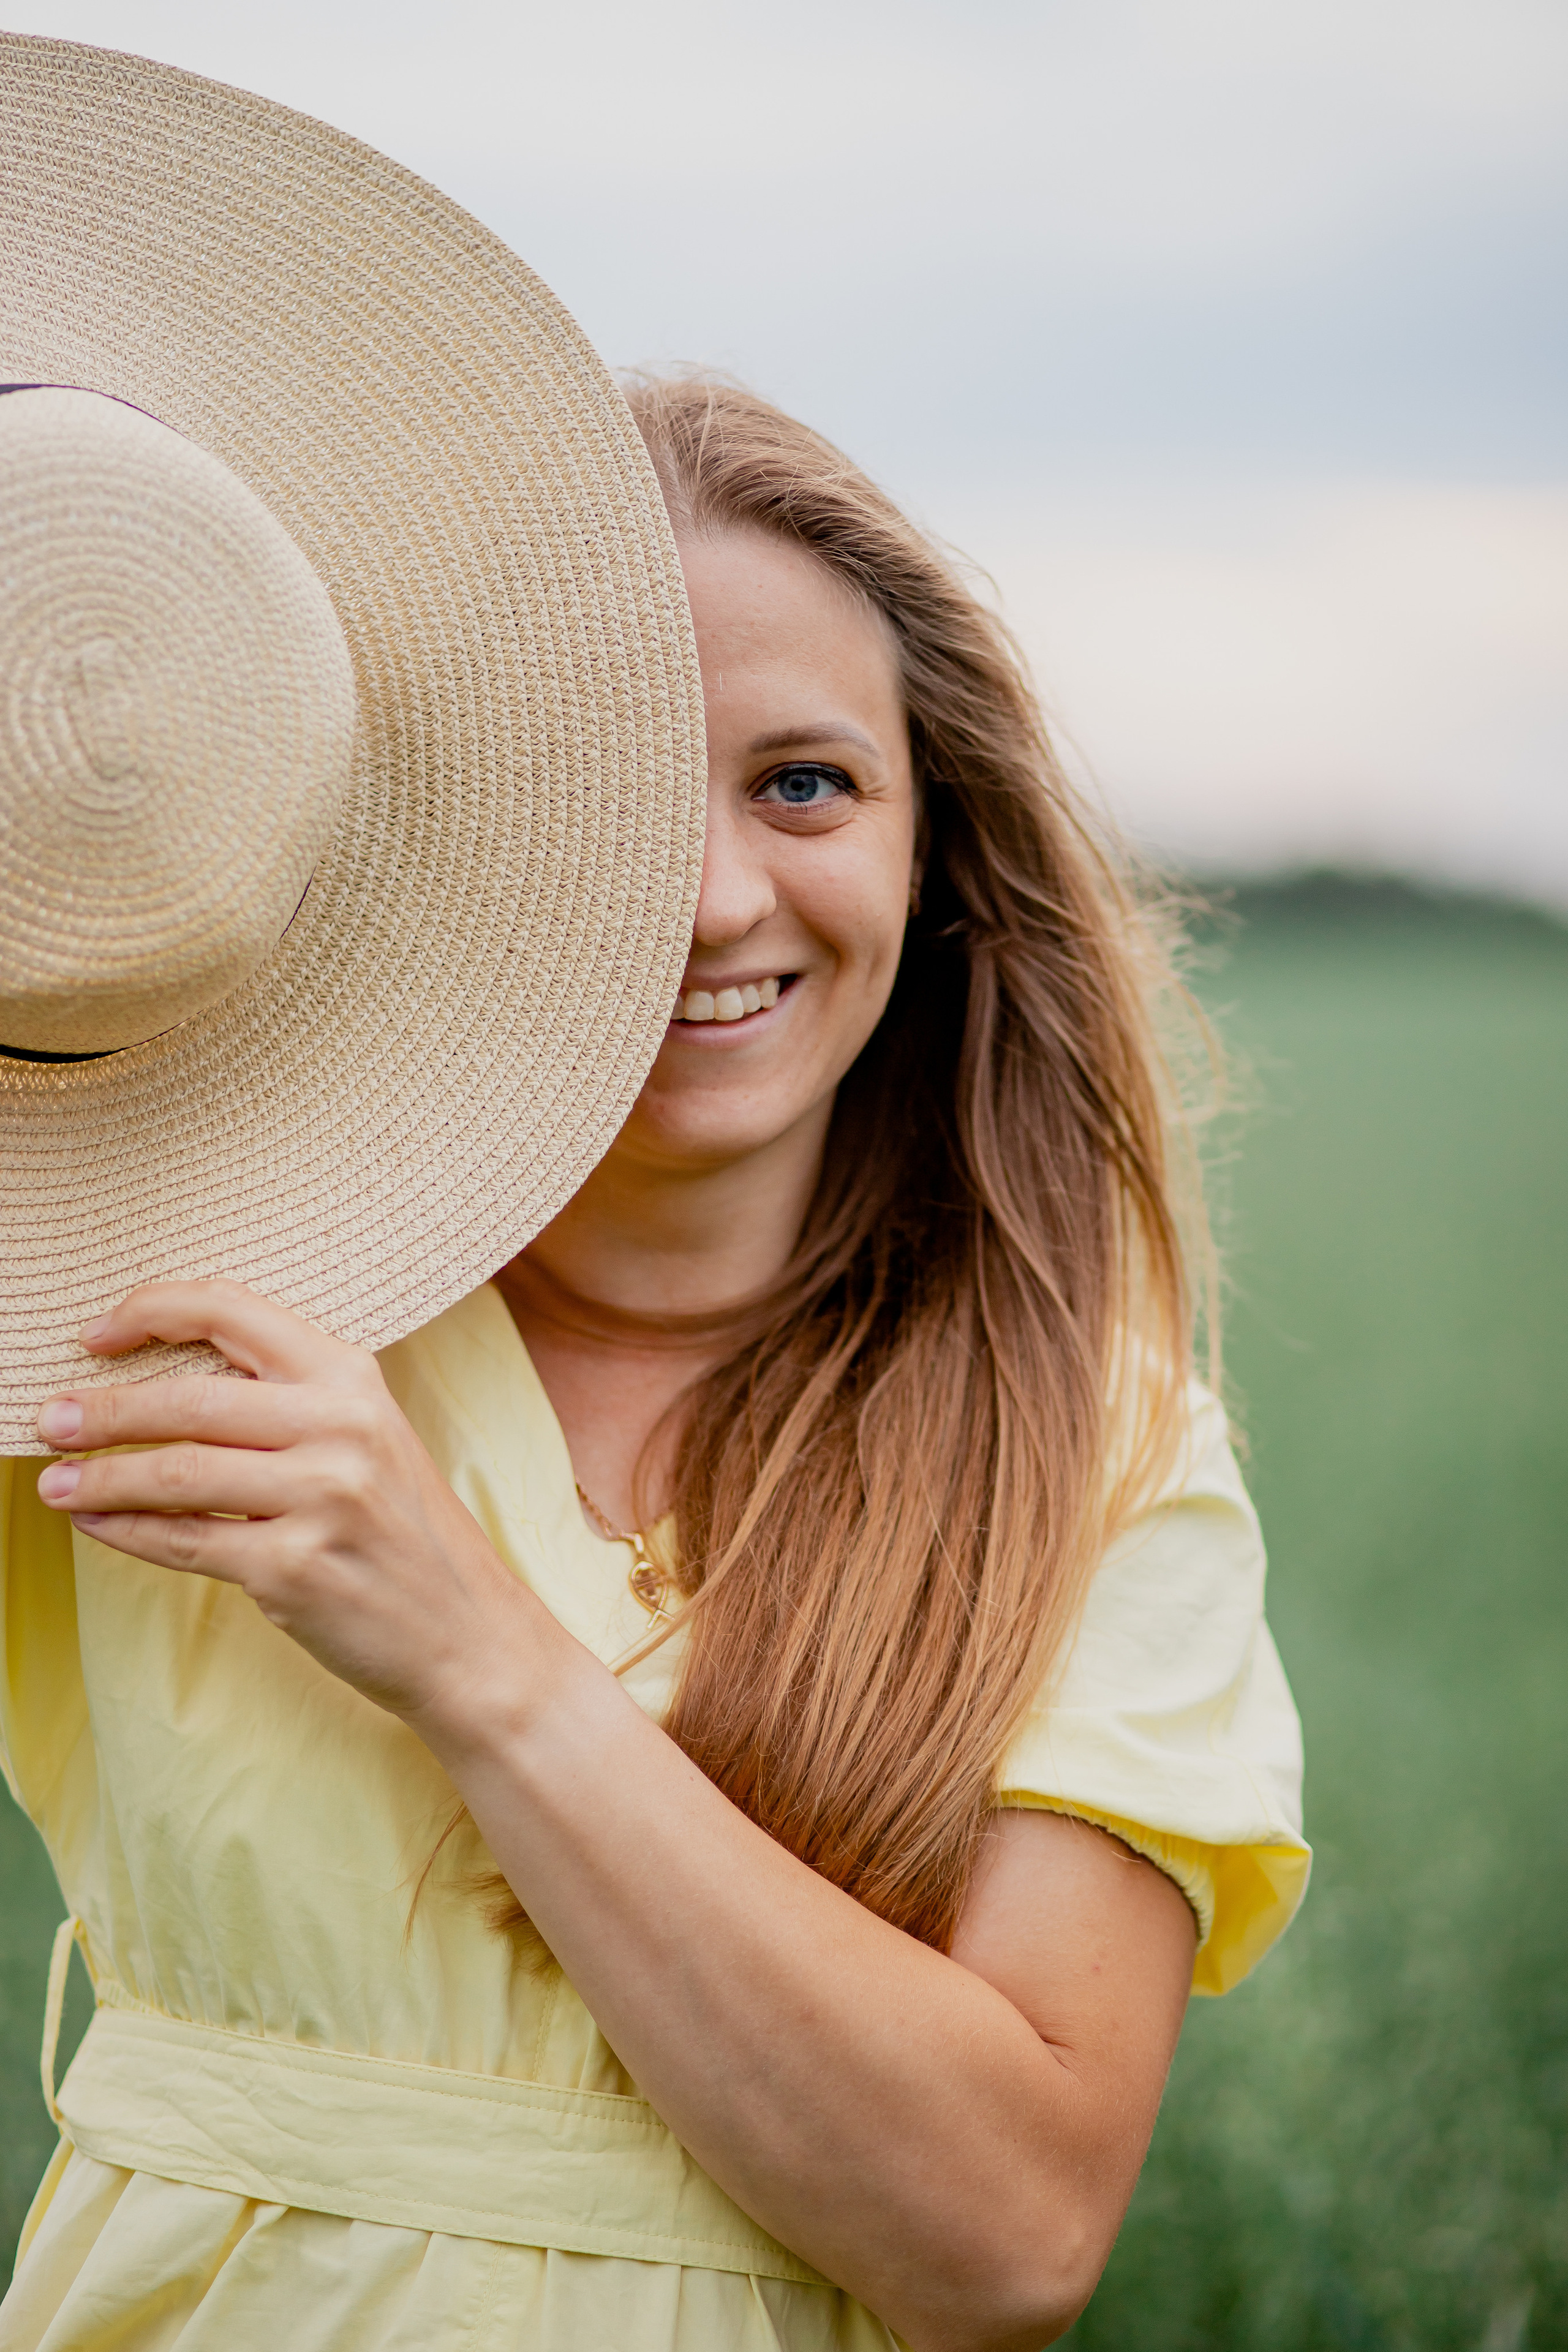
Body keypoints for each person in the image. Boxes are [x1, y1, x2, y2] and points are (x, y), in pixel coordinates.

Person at [0, 41, 1306, 2352]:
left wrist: (464, 1640)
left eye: (806, 783)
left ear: (937, 850)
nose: (712, 896)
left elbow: (1004, 2244)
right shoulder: (132, 1310)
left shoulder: (1087, 1449)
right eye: (618, 788)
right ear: (432, 829)